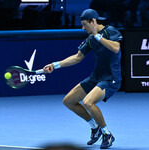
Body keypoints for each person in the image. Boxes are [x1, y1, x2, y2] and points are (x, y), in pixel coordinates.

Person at [43, 9, 122, 149]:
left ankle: (107, 133)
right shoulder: (91, 39)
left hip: (111, 78)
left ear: (93, 21)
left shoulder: (110, 31)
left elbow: (116, 48)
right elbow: (77, 57)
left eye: (84, 24)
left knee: (88, 102)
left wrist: (98, 36)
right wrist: (55, 65)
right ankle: (94, 127)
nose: (82, 27)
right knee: (68, 101)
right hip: (96, 77)